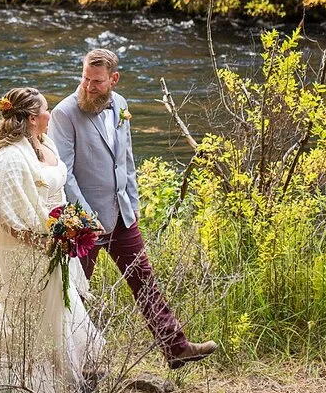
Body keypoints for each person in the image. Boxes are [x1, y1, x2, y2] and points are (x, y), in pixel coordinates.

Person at [50, 48, 218, 370]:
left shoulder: (122, 105)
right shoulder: (64, 113)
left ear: (113, 79)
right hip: (83, 222)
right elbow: (64, 174)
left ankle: (175, 347)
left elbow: (126, 160)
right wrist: (88, 218)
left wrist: (134, 202)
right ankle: (69, 361)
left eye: (97, 81)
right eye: (85, 78)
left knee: (143, 279)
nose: (88, 86)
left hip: (122, 215)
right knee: (77, 290)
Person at [0, 87, 111, 393]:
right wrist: (41, 241)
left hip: (54, 244)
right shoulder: (9, 157)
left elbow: (56, 193)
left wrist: (70, 226)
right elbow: (2, 215)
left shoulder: (44, 143)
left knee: (61, 311)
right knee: (35, 314)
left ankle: (76, 392)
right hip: (27, 251)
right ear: (33, 117)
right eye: (46, 109)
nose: (51, 114)